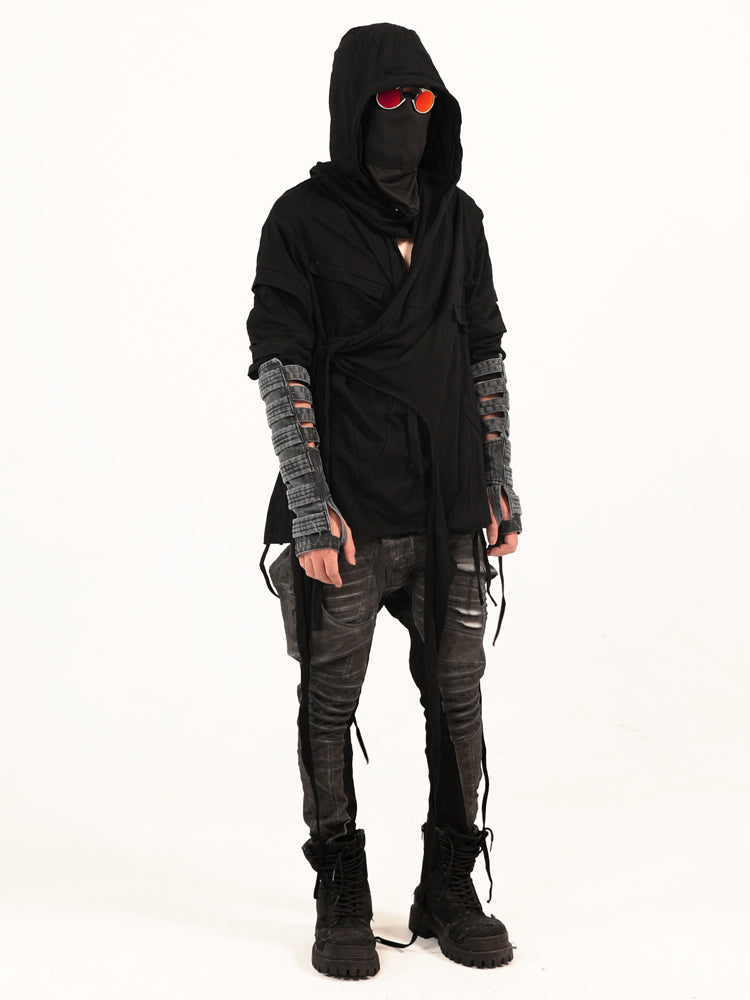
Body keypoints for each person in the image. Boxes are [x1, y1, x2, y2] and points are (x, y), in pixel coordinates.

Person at [245, 22, 522, 980]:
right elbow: (281, 363)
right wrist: (309, 506)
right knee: (330, 701)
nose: (409, 116)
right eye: (391, 100)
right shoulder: (299, 221)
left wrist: (499, 482)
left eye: (423, 100)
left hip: (450, 504)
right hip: (350, 510)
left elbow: (483, 353)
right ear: (353, 108)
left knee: (457, 695)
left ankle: (448, 885)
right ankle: (340, 886)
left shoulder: (461, 220)